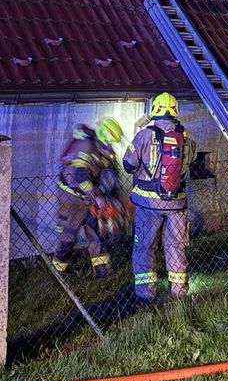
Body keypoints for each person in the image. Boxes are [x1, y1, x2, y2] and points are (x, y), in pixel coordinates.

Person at [123, 92, 194, 301]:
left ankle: (146, 295)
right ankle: (179, 293)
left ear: (155, 109)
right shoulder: (187, 137)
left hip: (148, 203)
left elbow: (128, 165)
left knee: (145, 247)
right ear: (175, 110)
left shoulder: (144, 135)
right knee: (176, 247)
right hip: (177, 203)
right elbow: (189, 164)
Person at [52, 116, 123, 277]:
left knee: (96, 233)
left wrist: (109, 198)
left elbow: (109, 174)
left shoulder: (100, 147)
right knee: (68, 236)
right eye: (110, 141)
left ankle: (102, 271)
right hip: (71, 199)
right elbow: (80, 177)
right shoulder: (85, 145)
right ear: (104, 134)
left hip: (89, 198)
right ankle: (58, 272)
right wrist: (96, 198)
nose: (111, 145)